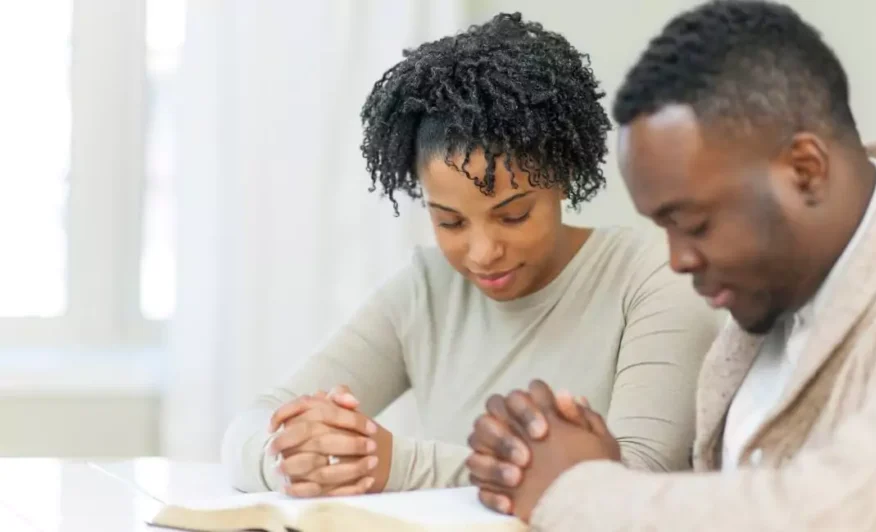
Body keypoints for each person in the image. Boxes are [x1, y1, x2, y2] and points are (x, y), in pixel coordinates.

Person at [465, 1, 876, 530]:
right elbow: (742, 494)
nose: (678, 259)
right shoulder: (770, 304)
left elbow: (833, 517)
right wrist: (599, 467)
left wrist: (579, 490)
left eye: (696, 223)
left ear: (805, 171)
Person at [220, 12, 719, 499]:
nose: (483, 254)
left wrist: (399, 464)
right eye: (450, 222)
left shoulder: (653, 277)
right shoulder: (426, 291)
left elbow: (633, 481)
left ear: (563, 176)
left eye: (513, 215)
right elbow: (253, 422)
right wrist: (287, 457)